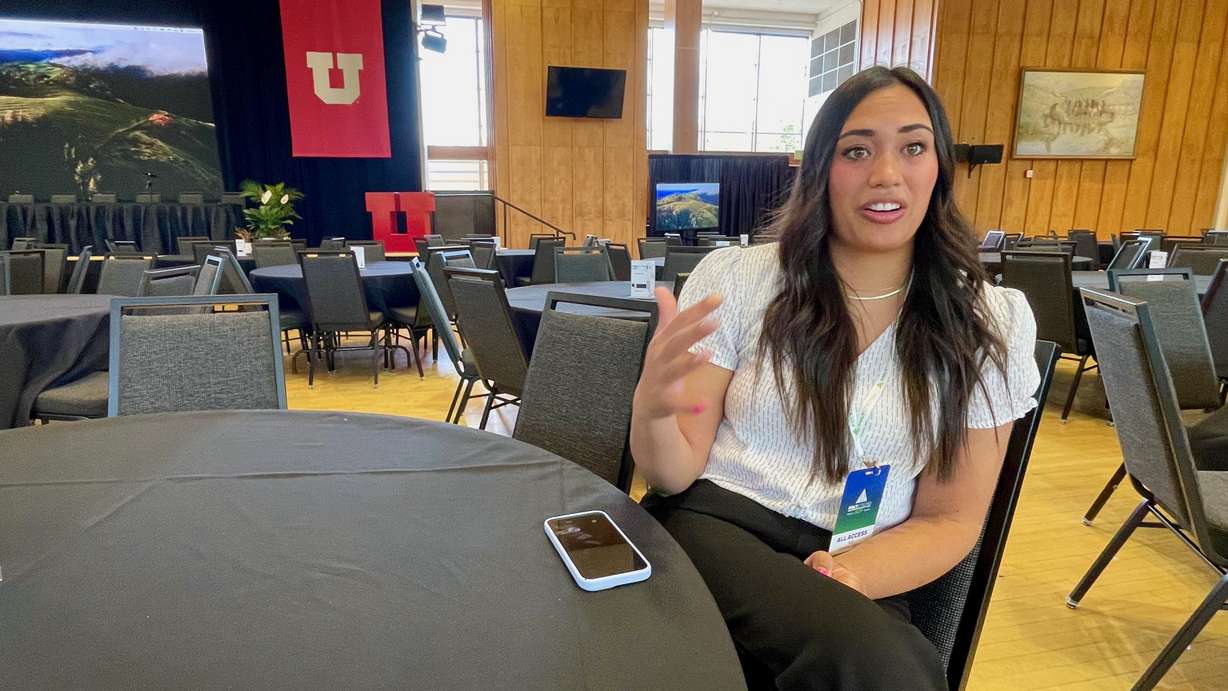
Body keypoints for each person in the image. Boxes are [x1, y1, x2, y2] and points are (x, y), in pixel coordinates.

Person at [630, 65, 1040, 690]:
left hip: (861, 560)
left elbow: (950, 518)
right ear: (821, 170)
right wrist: (653, 411)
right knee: (888, 674)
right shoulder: (741, 280)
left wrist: (849, 576)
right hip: (714, 527)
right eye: (857, 150)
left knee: (875, 666)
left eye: (912, 146)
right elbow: (673, 473)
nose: (886, 173)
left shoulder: (992, 321)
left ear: (938, 168)